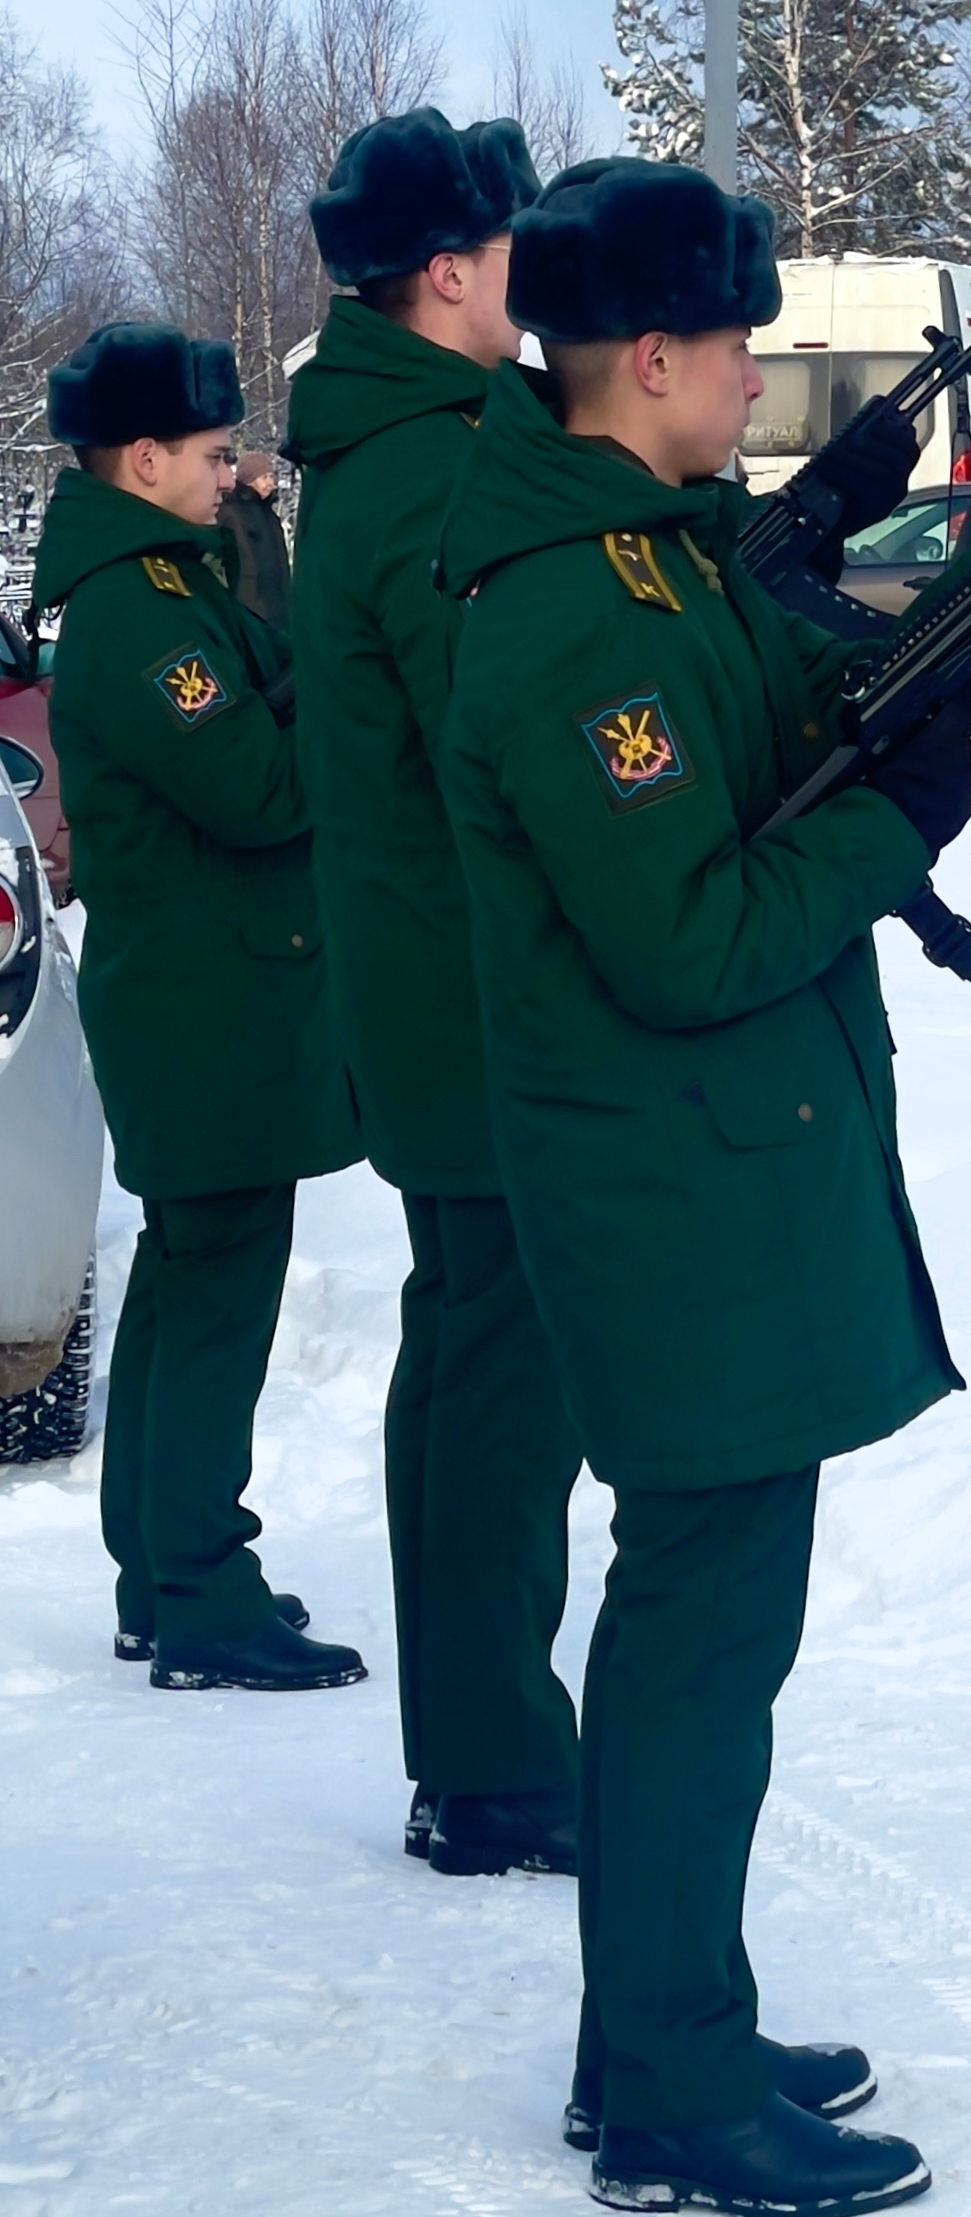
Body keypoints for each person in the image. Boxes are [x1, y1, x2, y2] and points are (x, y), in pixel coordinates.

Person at [435, 158, 971, 2217]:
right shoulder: (573, 611)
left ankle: (659, 2024)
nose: (750, 373)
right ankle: (667, 2088)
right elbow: (682, 929)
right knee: (691, 1637)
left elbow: (797, 723)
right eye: (734, 338)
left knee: (709, 1634)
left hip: (713, 1177)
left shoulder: (646, 562)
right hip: (669, 1194)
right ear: (646, 353)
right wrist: (896, 819)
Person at [282, 108, 587, 1878]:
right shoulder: (423, 470)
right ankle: (487, 1760)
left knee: (471, 1355)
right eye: (512, 239)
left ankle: (475, 1740)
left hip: (444, 987)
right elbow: (517, 715)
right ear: (450, 272)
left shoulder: (419, 442)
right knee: (499, 1374)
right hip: (474, 996)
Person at [36, 324, 364, 1691]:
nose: (236, 469)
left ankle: (162, 1570)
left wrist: (271, 611)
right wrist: (338, 693)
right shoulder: (138, 612)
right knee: (219, 1291)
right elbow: (259, 786)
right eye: (216, 448)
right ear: (144, 455)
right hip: (209, 1004)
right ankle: (198, 1596)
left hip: (215, 992)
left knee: (186, 1281)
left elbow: (250, 699)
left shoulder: (165, 583)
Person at [216, 451, 291, 630]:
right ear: (249, 479)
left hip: (279, 608)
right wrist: (252, 610)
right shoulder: (232, 513)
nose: (270, 483)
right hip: (257, 612)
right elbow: (242, 566)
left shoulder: (269, 514)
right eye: (264, 477)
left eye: (272, 476)